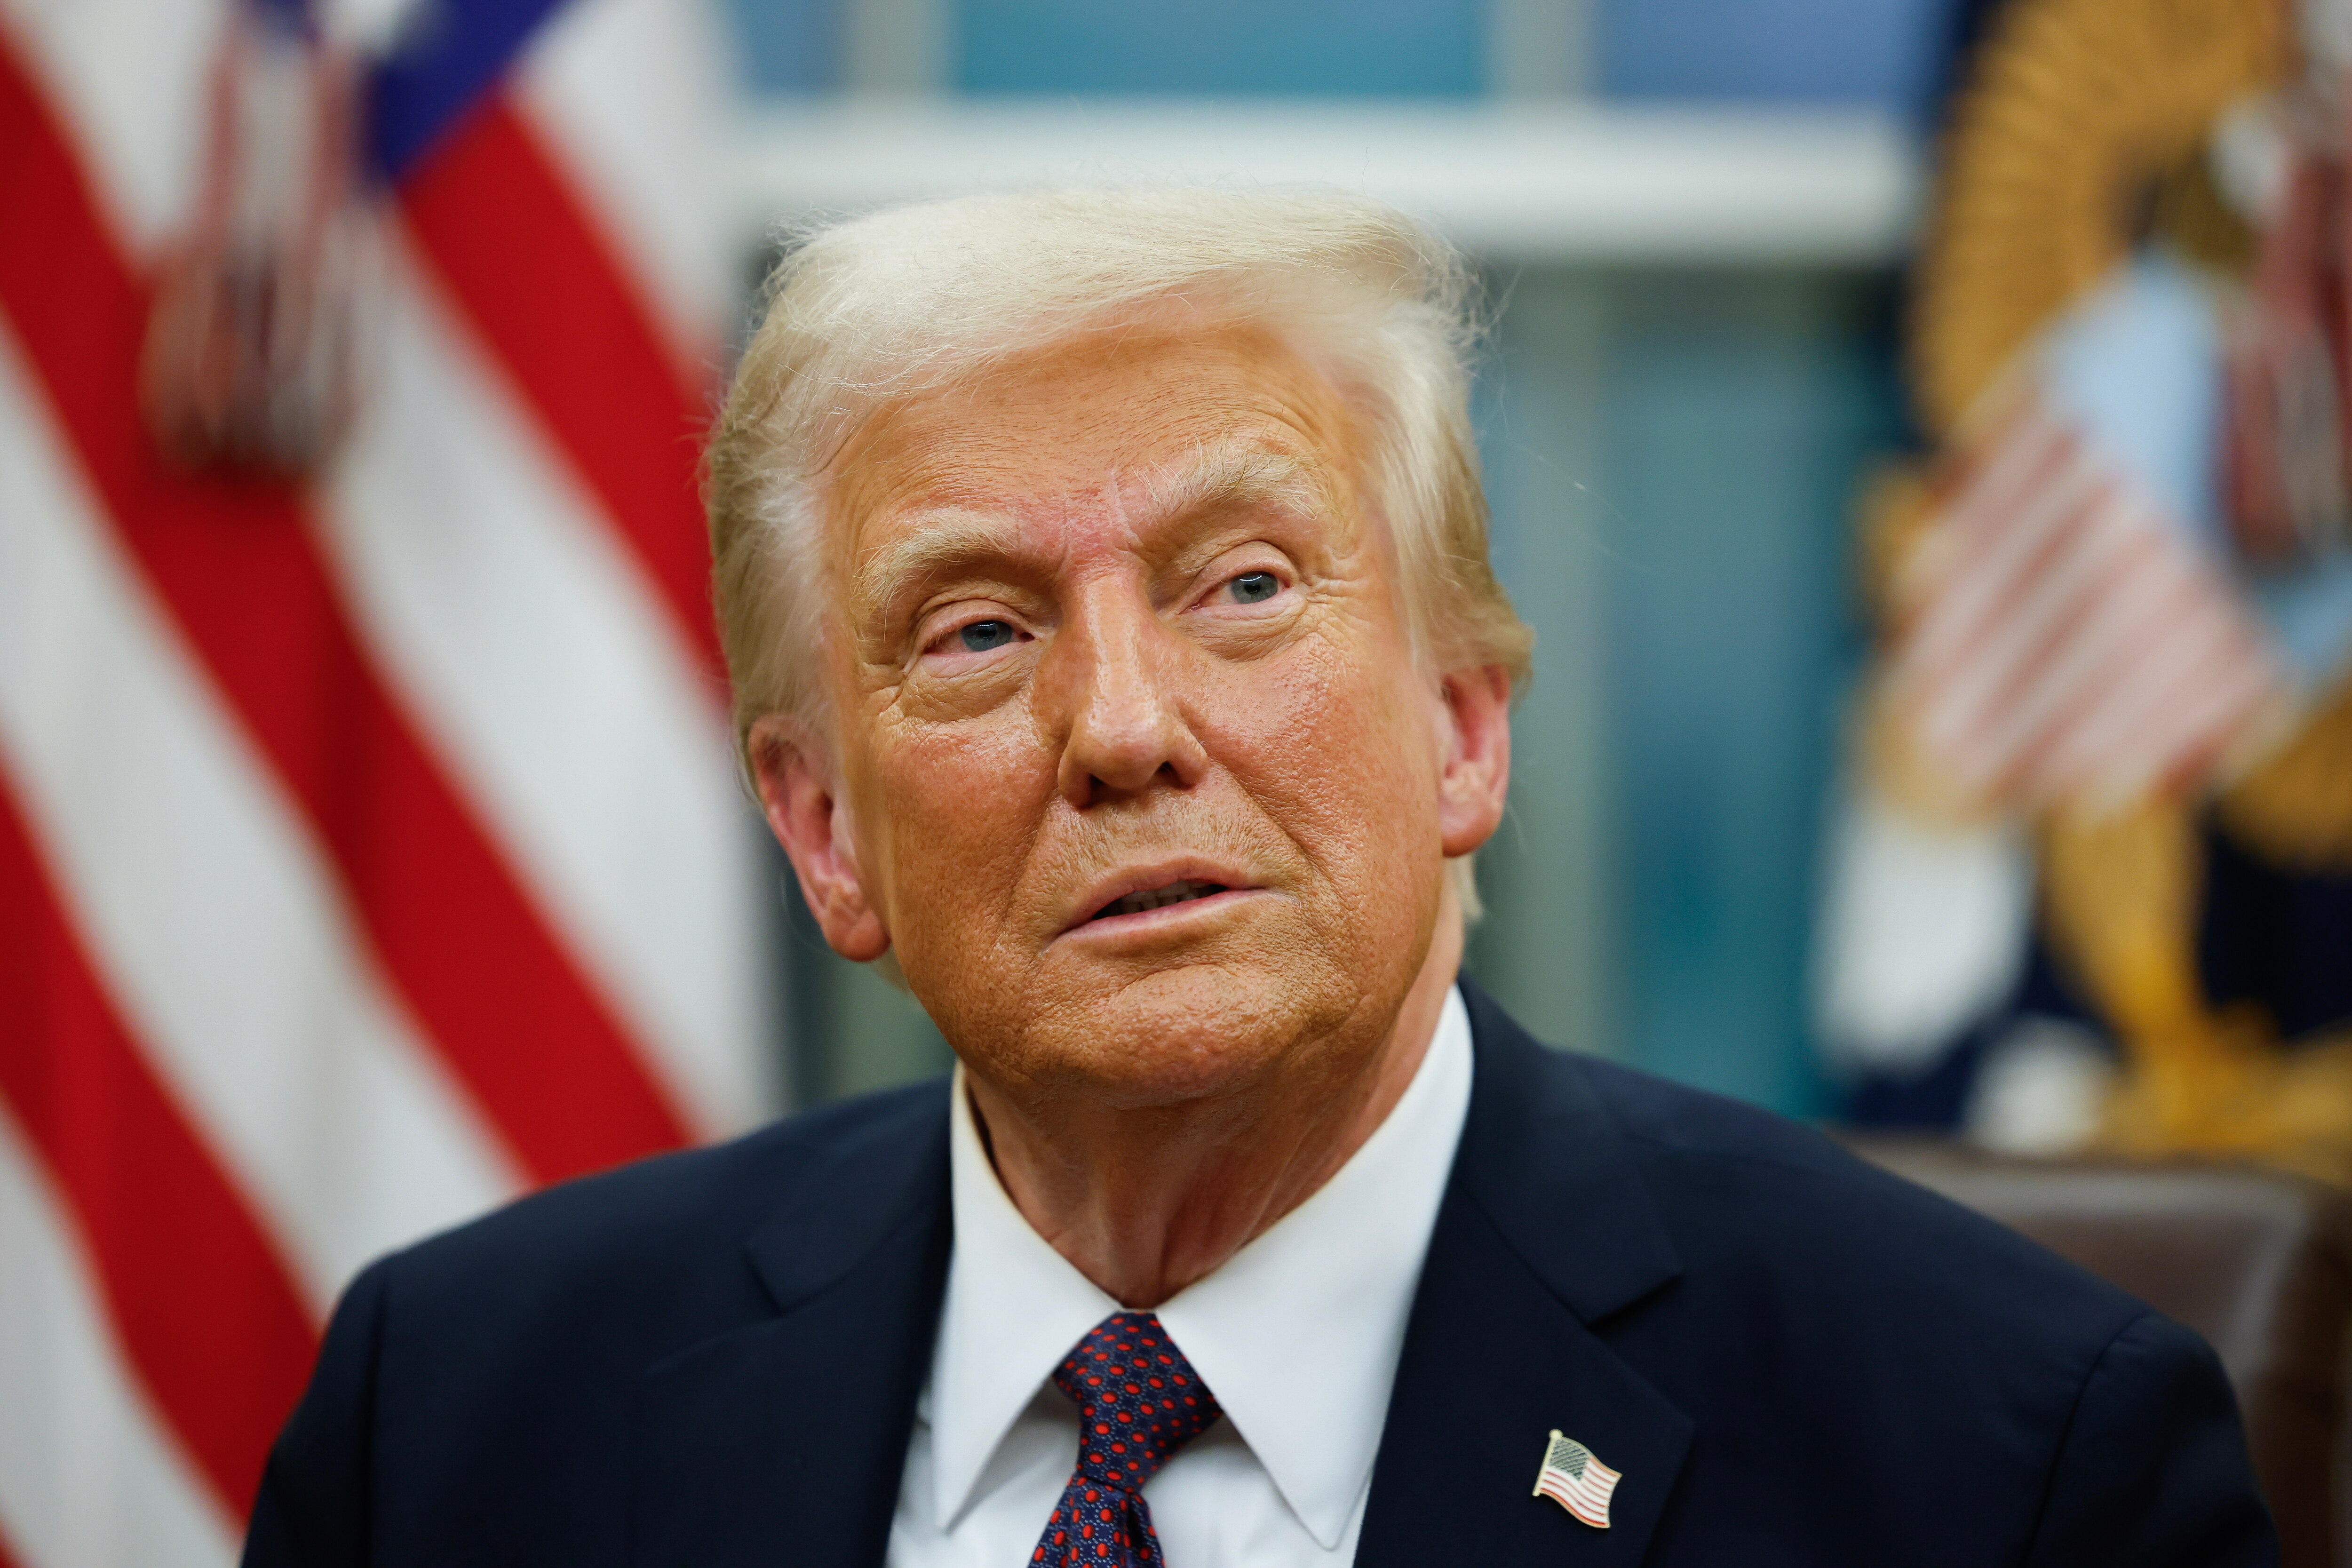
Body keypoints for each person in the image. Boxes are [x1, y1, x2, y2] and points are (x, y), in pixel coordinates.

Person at [243, 188, 2276, 1568]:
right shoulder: (457, 1428)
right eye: (976, 630)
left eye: (1241, 587)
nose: (1122, 727)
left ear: (1462, 730)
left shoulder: (2004, 1463)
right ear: (824, 832)